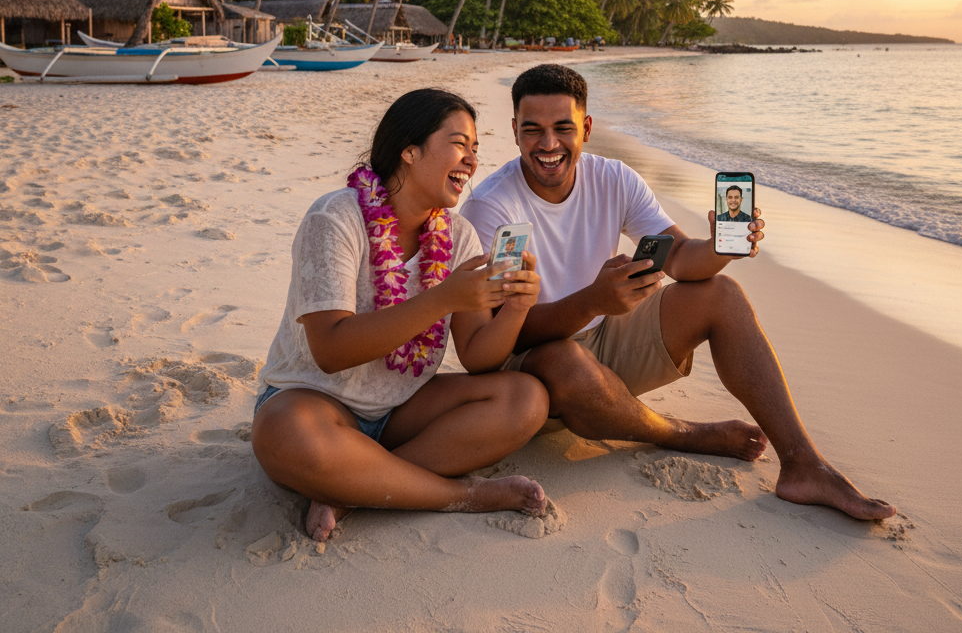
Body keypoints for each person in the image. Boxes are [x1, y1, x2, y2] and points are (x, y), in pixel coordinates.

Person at [460, 64, 896, 522]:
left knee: (721, 294)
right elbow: (496, 341)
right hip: (533, 372)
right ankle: (682, 434)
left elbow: (683, 258)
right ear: (513, 132)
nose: (548, 145)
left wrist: (720, 248)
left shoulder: (613, 178)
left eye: (562, 128)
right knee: (562, 359)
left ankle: (804, 463)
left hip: (604, 337)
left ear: (586, 128)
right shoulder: (491, 208)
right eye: (533, 130)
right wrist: (592, 300)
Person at [251, 88, 551, 543]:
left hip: (401, 409)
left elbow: (478, 357)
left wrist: (516, 308)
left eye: (476, 149)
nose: (471, 160)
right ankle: (462, 494)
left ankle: (353, 486)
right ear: (409, 151)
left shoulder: (459, 236)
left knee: (525, 400)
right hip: (315, 401)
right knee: (282, 433)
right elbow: (331, 349)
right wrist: (442, 299)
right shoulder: (335, 218)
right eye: (459, 143)